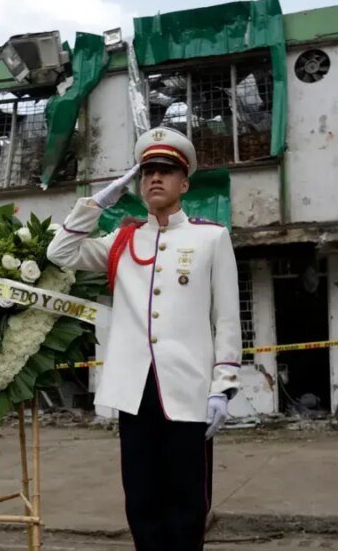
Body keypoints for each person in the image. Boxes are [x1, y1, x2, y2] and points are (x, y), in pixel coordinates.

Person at [47, 127, 242, 551]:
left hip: (187, 391)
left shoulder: (211, 238)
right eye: (148, 171)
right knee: (141, 500)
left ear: (184, 183)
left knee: (188, 502)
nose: (155, 178)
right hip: (134, 390)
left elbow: (227, 317)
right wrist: (96, 203)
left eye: (166, 170)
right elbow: (59, 253)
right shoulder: (123, 239)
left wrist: (222, 387)